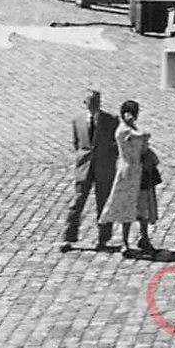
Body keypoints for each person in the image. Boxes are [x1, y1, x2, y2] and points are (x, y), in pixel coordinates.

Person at [61, 90, 119, 252]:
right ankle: (68, 237)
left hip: (104, 166)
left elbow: (116, 144)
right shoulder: (78, 121)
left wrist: (109, 159)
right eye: (91, 101)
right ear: (84, 103)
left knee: (103, 204)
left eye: (97, 101)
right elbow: (77, 144)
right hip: (84, 166)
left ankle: (103, 239)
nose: (95, 104)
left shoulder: (111, 120)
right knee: (77, 202)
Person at [97, 100, 158, 256]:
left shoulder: (131, 128)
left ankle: (144, 238)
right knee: (127, 207)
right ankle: (125, 242)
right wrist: (143, 135)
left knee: (143, 207)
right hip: (128, 173)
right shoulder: (123, 131)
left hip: (141, 171)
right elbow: (136, 137)